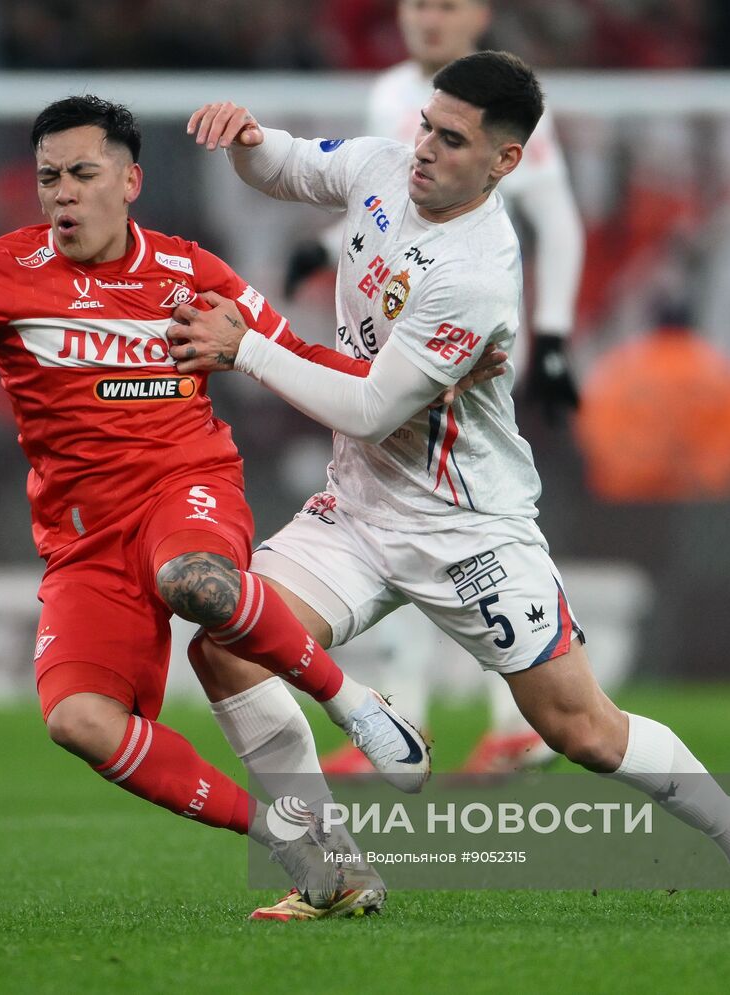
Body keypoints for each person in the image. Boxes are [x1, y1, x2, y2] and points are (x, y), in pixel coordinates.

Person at [172, 52, 730, 913]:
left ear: (504, 161)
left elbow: (373, 407)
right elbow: (293, 166)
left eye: (452, 141)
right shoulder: (384, 164)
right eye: (427, 125)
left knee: (582, 730)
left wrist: (247, 349)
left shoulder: (476, 275)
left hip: (469, 529)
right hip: (359, 508)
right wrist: (248, 138)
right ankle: (332, 868)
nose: (424, 150)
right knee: (226, 644)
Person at [0, 95, 471, 918]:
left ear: (130, 181)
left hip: (184, 488)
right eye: (49, 178)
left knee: (195, 579)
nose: (63, 195)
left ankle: (356, 705)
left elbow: (295, 356)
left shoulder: (192, 273)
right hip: (83, 540)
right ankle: (293, 841)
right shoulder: (5, 272)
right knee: (80, 720)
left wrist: (411, 392)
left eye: (83, 173)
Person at [292, 0, 593, 777]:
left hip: (461, 332)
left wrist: (553, 336)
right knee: (402, 513)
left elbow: (556, 217)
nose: (429, 18)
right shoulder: (392, 94)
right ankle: (408, 713)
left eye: (448, 5)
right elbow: (383, 198)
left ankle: (516, 717)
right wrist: (323, 246)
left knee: (460, 514)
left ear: (480, 16)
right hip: (396, 326)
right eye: (418, 3)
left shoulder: (504, 106)